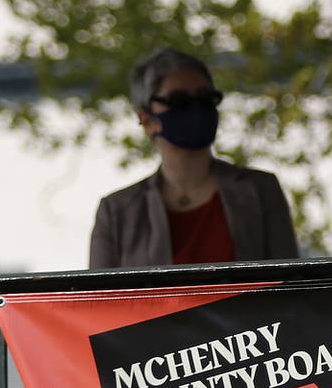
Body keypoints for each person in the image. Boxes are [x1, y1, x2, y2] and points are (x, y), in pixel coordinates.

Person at [89, 48, 300, 268]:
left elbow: (293, 290)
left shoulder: (261, 191)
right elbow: (99, 301)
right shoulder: (116, 213)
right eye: (178, 100)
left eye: (206, 98)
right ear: (146, 119)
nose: (196, 109)